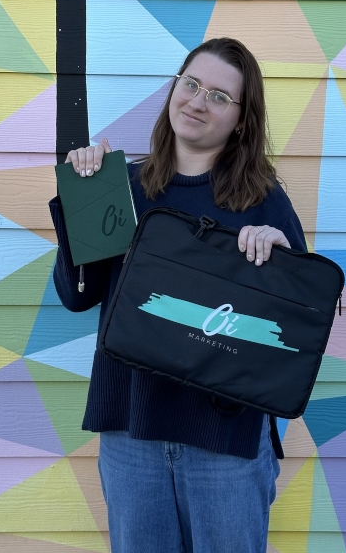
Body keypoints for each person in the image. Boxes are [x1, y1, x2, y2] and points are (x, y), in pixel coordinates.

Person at [49, 37, 307, 553]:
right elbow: (78, 297)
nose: (197, 101)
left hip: (225, 442)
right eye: (190, 85)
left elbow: (297, 329)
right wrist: (85, 197)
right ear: (174, 90)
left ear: (240, 119)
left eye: (218, 95)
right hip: (130, 428)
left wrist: (283, 262)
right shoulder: (118, 187)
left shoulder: (264, 202)